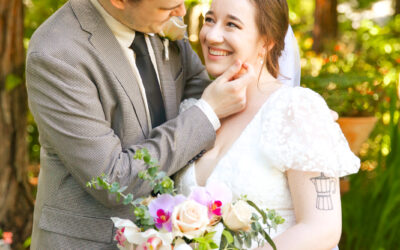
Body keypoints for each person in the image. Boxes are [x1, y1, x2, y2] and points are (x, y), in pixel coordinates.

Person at [25, 0, 299, 249]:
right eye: (169, 7)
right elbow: (111, 178)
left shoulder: (159, 24)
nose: (180, 13)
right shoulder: (57, 53)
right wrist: (208, 111)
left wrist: (293, 112)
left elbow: (216, 95)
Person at [175, 0, 360, 249]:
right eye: (210, 20)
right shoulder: (193, 111)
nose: (212, 34)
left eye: (231, 24)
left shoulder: (295, 110)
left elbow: (321, 229)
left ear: (267, 41)